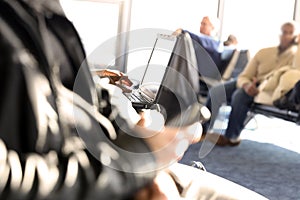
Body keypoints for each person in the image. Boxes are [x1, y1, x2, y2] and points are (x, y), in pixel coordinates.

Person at [0, 1, 268, 199]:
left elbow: (83, 96)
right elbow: (10, 181)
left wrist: (137, 139)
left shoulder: (41, 14)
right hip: (89, 181)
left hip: (102, 171)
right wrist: (141, 159)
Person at [203, 21, 299, 146]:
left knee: (240, 95)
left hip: (266, 87)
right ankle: (204, 130)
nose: (286, 36)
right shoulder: (263, 52)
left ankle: (231, 137)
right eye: (284, 32)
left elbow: (296, 72)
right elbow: (244, 76)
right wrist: (246, 84)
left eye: (290, 33)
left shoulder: (296, 56)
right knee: (216, 91)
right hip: (247, 82)